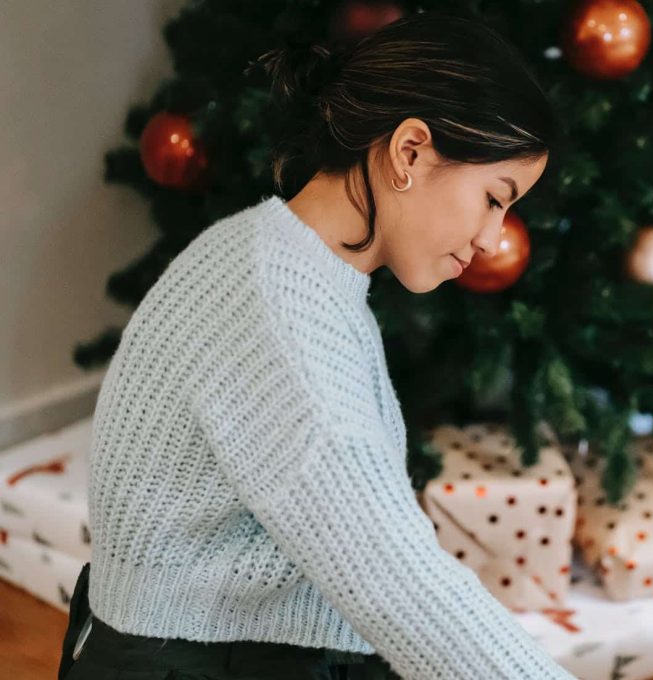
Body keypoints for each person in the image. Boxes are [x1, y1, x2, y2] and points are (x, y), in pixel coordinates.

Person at [58, 11, 573, 680]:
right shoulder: (278, 311)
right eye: (494, 198)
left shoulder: (282, 261)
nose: (494, 239)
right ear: (409, 151)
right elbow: (400, 583)